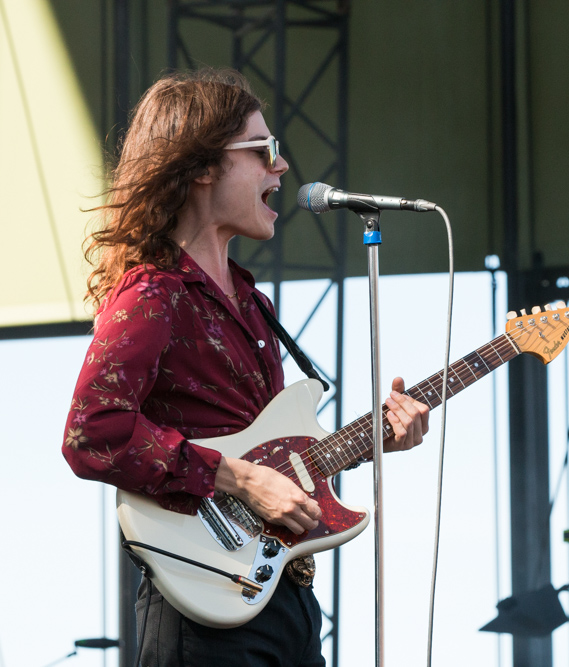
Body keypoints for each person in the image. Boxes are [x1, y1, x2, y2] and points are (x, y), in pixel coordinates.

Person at [62, 69, 430, 666]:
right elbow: (91, 434)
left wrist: (378, 439)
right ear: (203, 166)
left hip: (280, 596)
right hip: (202, 604)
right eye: (263, 152)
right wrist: (238, 479)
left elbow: (277, 456)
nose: (281, 168)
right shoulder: (153, 294)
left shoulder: (254, 305)